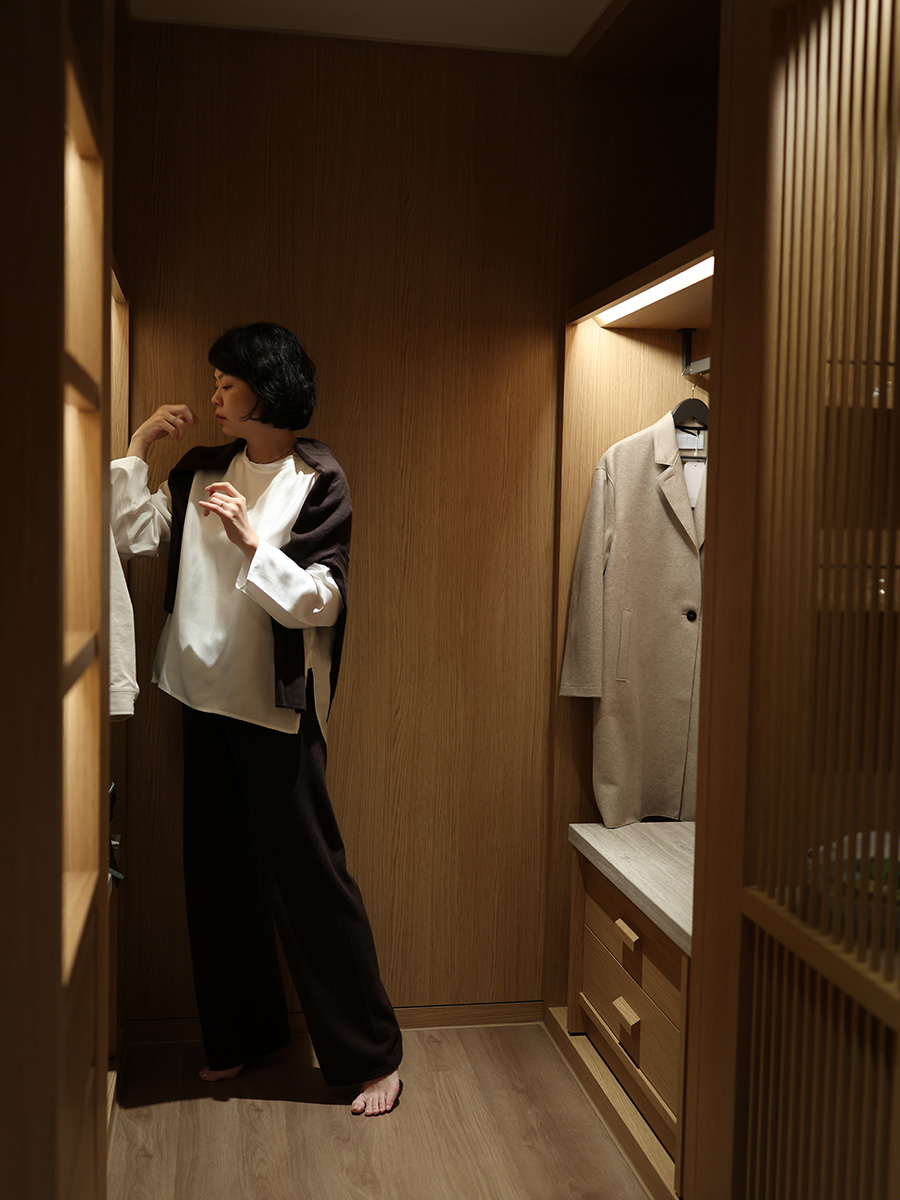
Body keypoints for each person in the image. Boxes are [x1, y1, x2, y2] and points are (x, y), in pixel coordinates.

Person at [110, 322, 402, 1116]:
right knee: (217, 876)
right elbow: (134, 536)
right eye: (215, 384)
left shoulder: (318, 479)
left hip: (276, 711)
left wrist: (248, 542)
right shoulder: (202, 467)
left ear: (265, 392)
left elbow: (323, 600)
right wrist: (138, 448)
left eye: (226, 385)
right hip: (197, 693)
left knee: (312, 877)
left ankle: (374, 1055)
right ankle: (240, 1036)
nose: (213, 397)